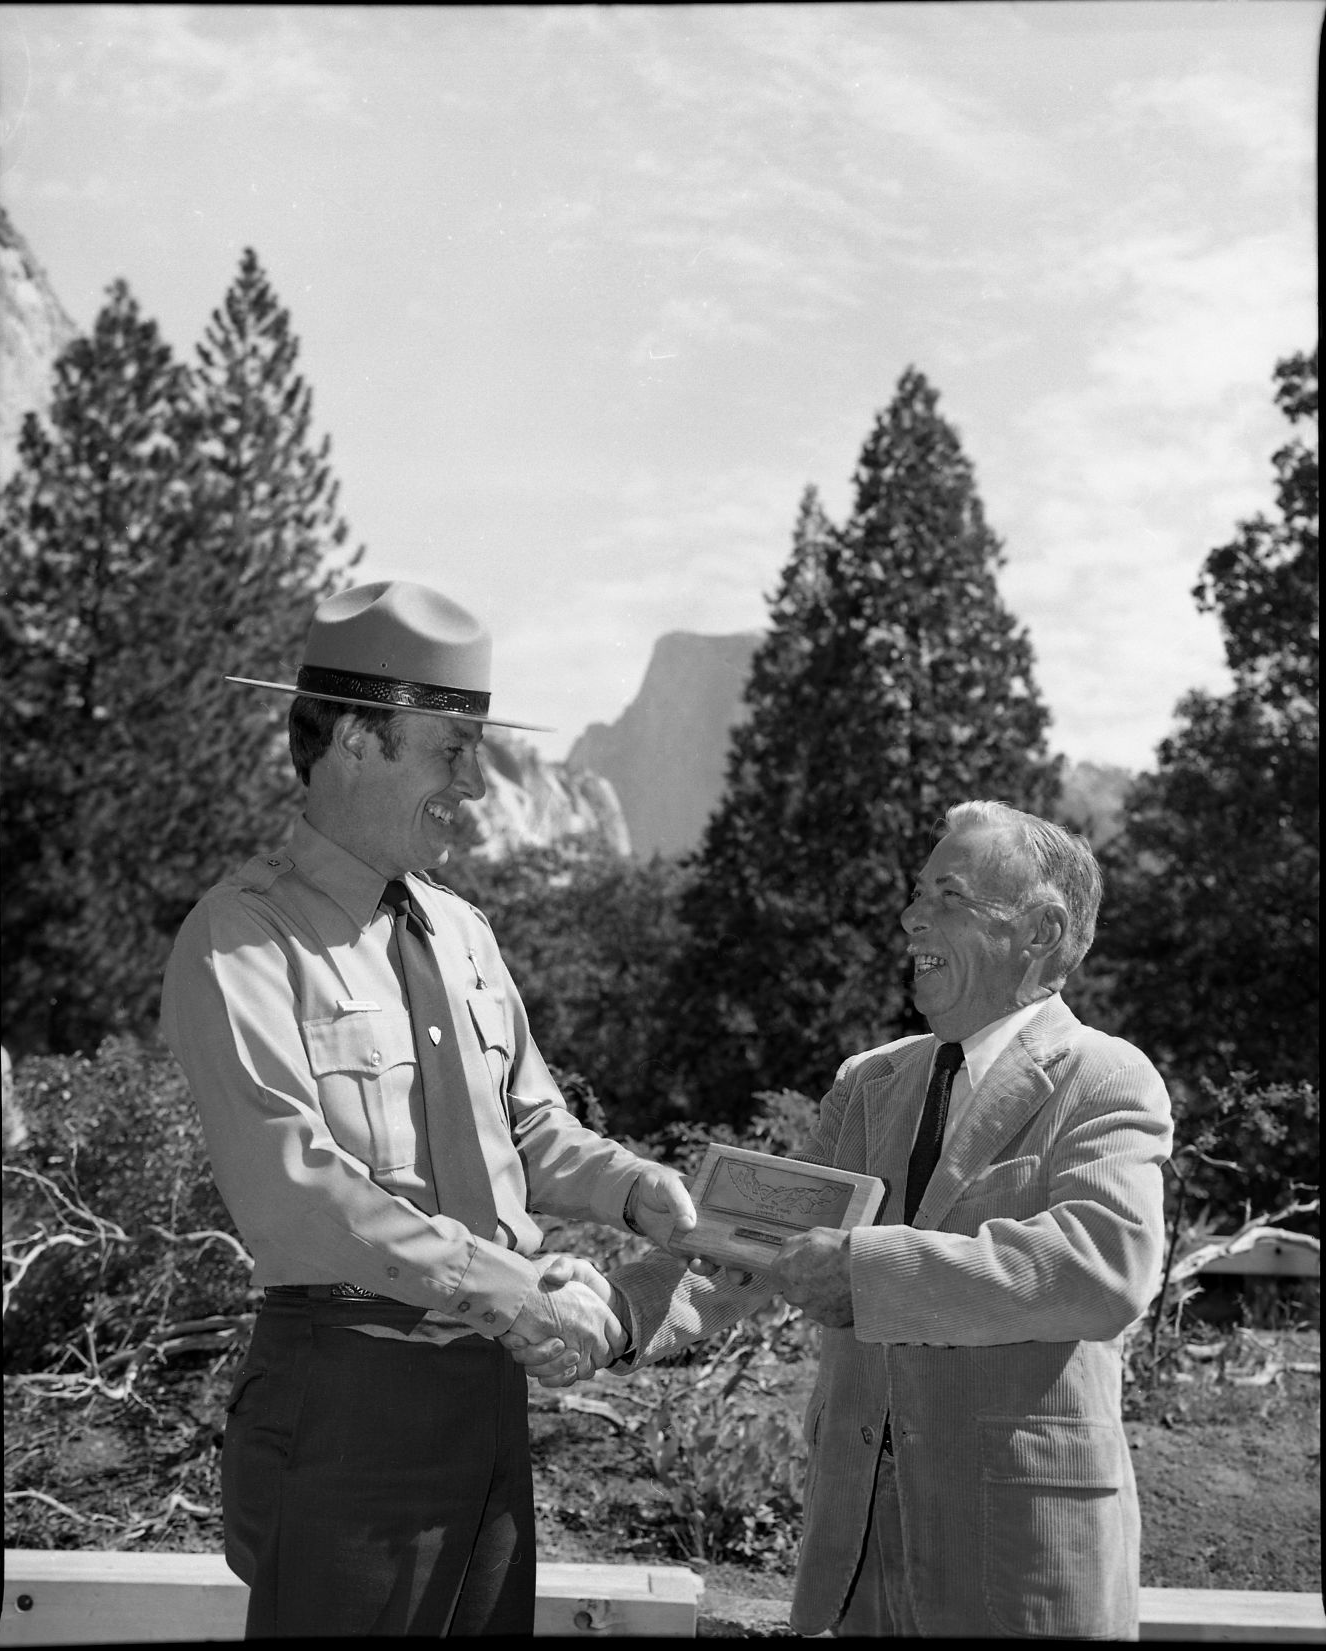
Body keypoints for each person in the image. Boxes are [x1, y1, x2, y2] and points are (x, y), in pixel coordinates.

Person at [160, 579, 694, 1639]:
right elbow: (296, 1193)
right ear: (356, 739)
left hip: (491, 1399)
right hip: (349, 1396)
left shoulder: (463, 934)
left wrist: (638, 1191)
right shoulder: (242, 939)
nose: (480, 784)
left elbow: (531, 1129)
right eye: (453, 749)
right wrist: (518, 1291)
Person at [517, 799, 1173, 1640]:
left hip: (1020, 1555)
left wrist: (865, 1269)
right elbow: (743, 1241)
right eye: (916, 892)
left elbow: (1101, 1267)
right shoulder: (870, 1081)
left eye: (949, 894)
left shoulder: (1106, 1078)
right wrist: (612, 1310)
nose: (911, 915)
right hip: (857, 1549)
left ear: (1042, 930)